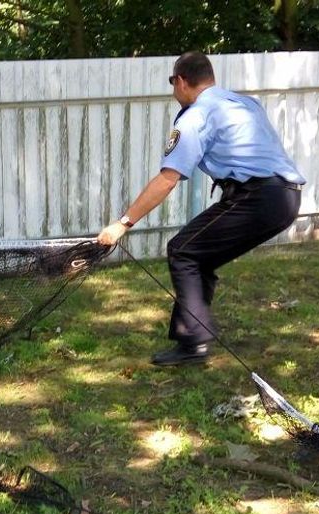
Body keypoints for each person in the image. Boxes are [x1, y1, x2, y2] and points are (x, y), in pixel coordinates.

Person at [98, 51, 305, 366]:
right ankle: (192, 338)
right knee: (197, 254)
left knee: (182, 250)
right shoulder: (245, 103)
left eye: (172, 83)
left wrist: (122, 224)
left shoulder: (197, 115)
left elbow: (168, 179)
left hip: (258, 198)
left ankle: (194, 343)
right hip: (287, 197)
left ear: (181, 81)